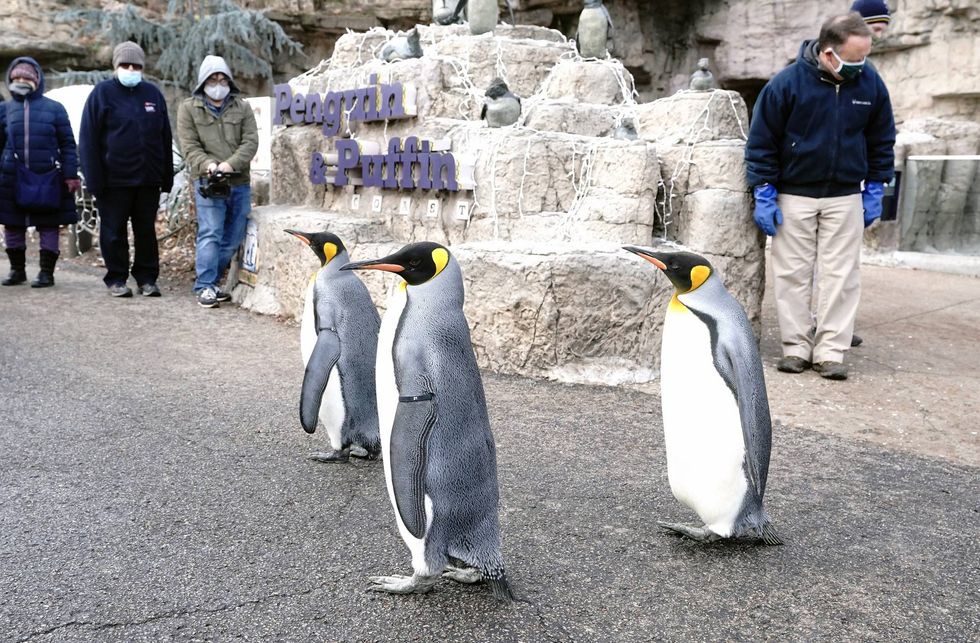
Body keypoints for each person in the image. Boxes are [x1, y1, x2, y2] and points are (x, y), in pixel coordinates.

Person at [745, 13, 895, 380]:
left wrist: (877, 185)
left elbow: (881, 138)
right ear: (829, 53)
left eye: (865, 57)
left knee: (841, 275)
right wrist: (763, 189)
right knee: (792, 273)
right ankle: (796, 347)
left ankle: (830, 351)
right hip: (794, 193)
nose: (862, 65)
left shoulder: (870, 83)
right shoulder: (786, 84)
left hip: (845, 194)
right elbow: (762, 141)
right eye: (855, 59)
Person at [79, 41, 173, 298]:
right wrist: (94, 180)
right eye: (126, 65)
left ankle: (147, 278)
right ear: (116, 66)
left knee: (146, 232)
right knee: (113, 232)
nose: (131, 69)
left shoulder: (152, 94)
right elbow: (88, 141)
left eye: (136, 66)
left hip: (147, 179)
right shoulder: (101, 94)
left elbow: (165, 137)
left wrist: (166, 177)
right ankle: (116, 278)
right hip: (113, 181)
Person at [176, 55, 257, 309]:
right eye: (213, 80)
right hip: (208, 182)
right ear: (203, 82)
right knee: (211, 232)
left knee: (234, 236)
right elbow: (189, 146)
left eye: (223, 80)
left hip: (238, 181)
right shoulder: (189, 109)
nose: (218, 85)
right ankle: (205, 285)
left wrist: (230, 164)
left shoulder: (242, 107)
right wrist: (209, 165)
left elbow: (250, 141)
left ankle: (211, 281)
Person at [0, 58, 81, 288]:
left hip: (48, 177)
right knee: (13, 225)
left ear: (37, 80)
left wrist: (70, 175)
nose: (21, 81)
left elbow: (67, 144)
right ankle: (17, 271)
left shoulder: (55, 109)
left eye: (26, 78)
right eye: (17, 78)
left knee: (48, 225)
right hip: (11, 178)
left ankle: (47, 273)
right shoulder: (4, 109)